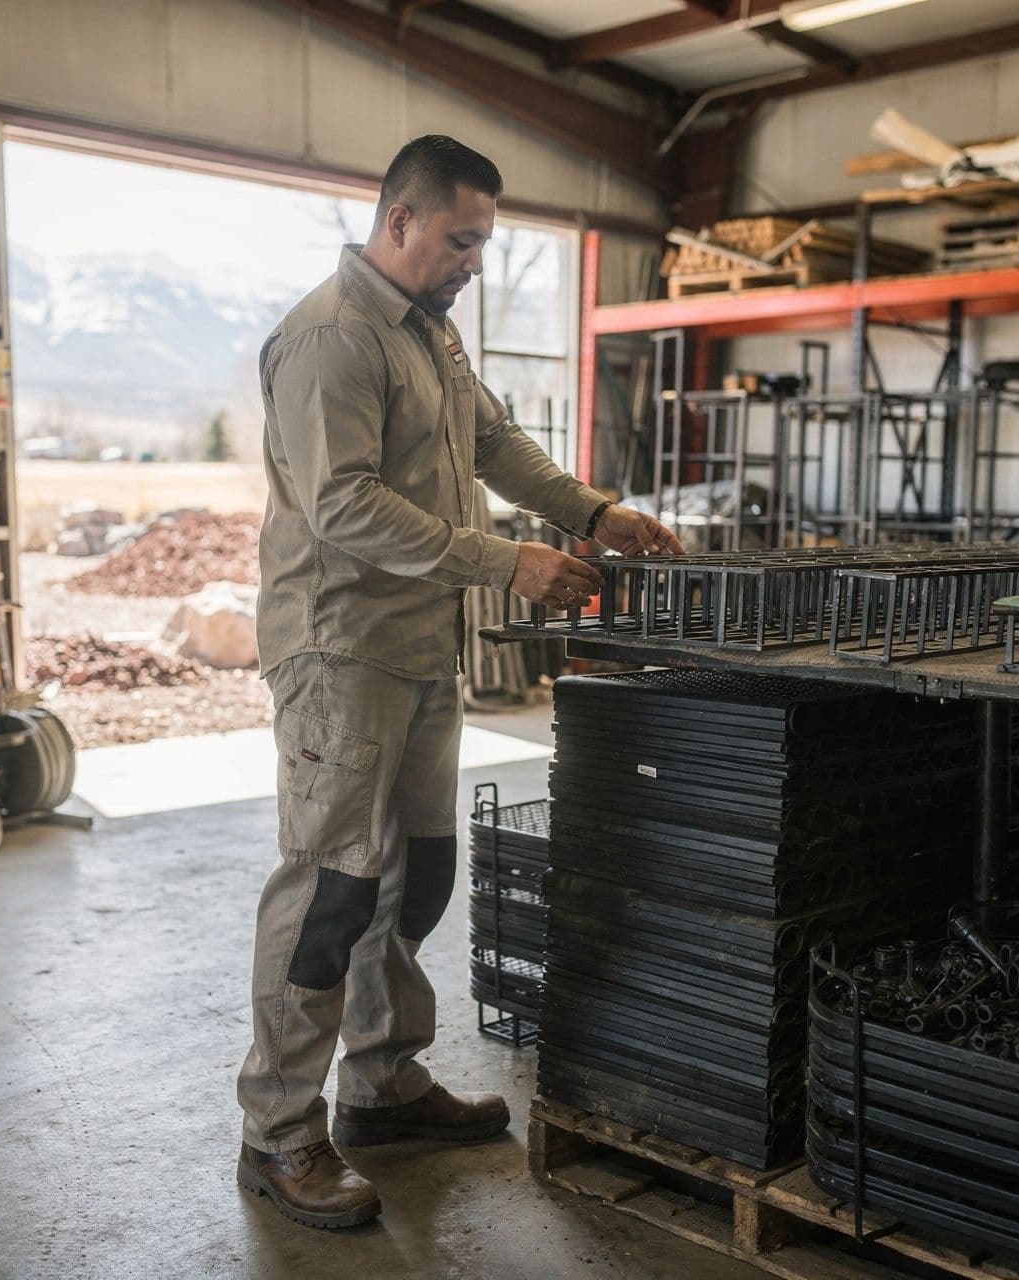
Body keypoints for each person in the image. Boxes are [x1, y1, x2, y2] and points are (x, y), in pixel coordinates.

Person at [235, 135, 682, 1230]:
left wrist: (587, 510)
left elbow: (495, 443)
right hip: (340, 651)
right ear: (401, 223)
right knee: (330, 887)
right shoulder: (331, 340)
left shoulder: (425, 334)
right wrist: (505, 559)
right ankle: (279, 1131)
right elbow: (341, 506)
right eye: (463, 239)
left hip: (420, 642)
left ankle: (383, 1083)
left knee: (418, 873)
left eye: (484, 243)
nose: (475, 261)